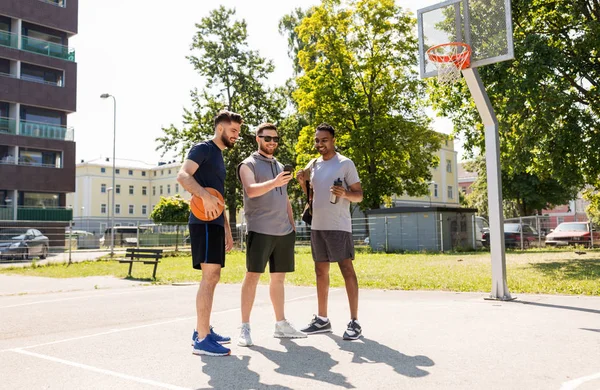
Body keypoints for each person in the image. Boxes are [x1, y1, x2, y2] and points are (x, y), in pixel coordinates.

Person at [177, 110, 242, 356]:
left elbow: (218, 197)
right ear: (220, 129)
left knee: (213, 278)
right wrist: (202, 195)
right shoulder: (202, 148)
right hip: (202, 223)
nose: (236, 136)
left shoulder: (218, 156)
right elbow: (182, 176)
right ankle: (202, 340)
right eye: (233, 131)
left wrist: (226, 228)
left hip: (214, 224)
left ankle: (201, 329)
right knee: (209, 276)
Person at [236, 123, 307, 346]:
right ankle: (245, 327)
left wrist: (292, 222)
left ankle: (281, 325)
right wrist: (275, 182)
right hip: (260, 229)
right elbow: (251, 190)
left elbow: (283, 195)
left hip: (283, 230)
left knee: (279, 278)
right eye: (268, 138)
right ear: (257, 138)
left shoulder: (278, 164)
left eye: (276, 139)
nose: (272, 142)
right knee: (252, 276)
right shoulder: (248, 164)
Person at [296, 123, 364, 340]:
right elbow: (310, 190)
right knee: (320, 272)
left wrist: (344, 193)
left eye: (324, 140)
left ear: (333, 140)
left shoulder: (345, 163)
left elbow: (359, 195)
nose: (319, 144)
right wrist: (301, 180)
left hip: (338, 226)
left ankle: (354, 321)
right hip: (318, 226)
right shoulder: (313, 164)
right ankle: (322, 320)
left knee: (346, 270)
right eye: (317, 140)